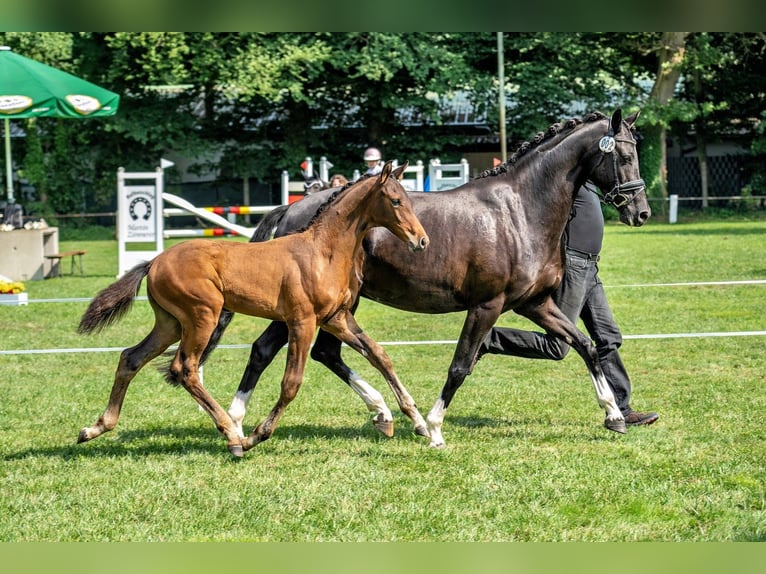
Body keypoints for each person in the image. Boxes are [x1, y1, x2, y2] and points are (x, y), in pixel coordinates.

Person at [477, 181, 659, 427]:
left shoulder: (587, 180)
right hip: (572, 267)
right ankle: (488, 340)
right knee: (557, 346)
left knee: (608, 337)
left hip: (591, 269)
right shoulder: (567, 180)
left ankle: (622, 409)